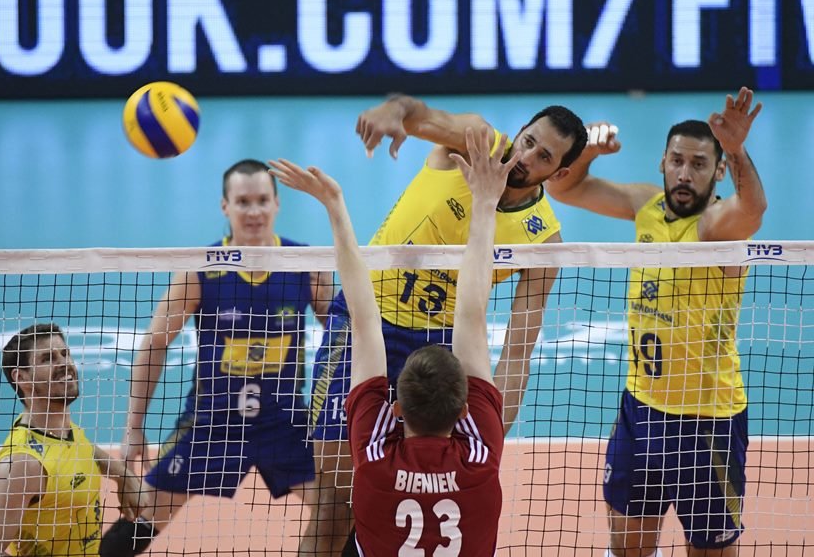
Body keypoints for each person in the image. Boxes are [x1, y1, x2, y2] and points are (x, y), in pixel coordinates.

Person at [304, 94, 588, 553]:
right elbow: (421, 115)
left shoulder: (543, 239)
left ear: (558, 174)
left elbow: (518, 350)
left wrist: (493, 429)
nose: (526, 156)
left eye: (543, 157)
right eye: (528, 141)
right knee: (335, 500)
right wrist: (395, 113)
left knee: (411, 497)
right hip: (366, 321)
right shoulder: (474, 140)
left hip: (440, 355)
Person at [270, 124, 515, 556]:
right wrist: (487, 204)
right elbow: (472, 315)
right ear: (463, 411)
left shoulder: (374, 462)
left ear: (395, 409)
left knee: (332, 509)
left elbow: (365, 321)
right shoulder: (480, 456)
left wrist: (334, 206)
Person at [545, 87, 766, 557]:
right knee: (627, 548)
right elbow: (564, 186)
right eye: (677, 161)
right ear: (662, 163)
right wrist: (587, 153)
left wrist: (738, 148)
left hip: (708, 425)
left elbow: (753, 210)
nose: (685, 174)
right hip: (641, 409)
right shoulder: (646, 205)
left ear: (719, 171)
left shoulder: (716, 228)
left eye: (700, 164)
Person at [100, 159, 334, 556]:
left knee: (338, 517)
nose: (254, 211)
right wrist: (133, 427)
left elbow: (342, 335)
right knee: (141, 521)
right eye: (243, 202)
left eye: (262, 200)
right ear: (225, 207)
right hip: (213, 422)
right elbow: (156, 342)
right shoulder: (201, 270)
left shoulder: (305, 265)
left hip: (286, 423)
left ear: (277, 203)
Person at [0, 323, 146, 557]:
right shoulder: (23, 466)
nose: (64, 363)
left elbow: (80, 450)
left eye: (65, 354)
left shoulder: (64, 431)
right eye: (48, 358)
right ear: (22, 377)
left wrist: (123, 475)